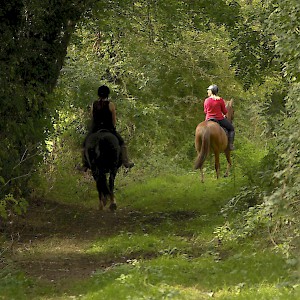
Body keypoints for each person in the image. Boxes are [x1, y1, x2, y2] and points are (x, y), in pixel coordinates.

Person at [80, 85, 134, 171]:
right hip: (109, 128)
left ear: (98, 94)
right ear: (107, 94)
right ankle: (126, 162)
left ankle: (84, 164)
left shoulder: (94, 104)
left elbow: (92, 117)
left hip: (95, 129)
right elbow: (113, 119)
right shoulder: (111, 104)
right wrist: (113, 127)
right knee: (122, 144)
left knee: (84, 145)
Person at [204, 84, 235, 150]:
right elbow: (224, 111)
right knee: (231, 129)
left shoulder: (206, 100)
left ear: (212, 91)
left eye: (208, 90)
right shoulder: (220, 100)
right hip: (219, 119)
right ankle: (230, 145)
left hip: (208, 119)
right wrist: (222, 114)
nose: (207, 92)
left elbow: (205, 111)